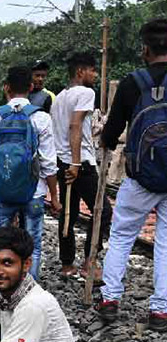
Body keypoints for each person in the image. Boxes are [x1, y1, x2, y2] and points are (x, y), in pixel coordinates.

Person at [97, 18, 167, 328]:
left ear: (145, 49)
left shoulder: (131, 83)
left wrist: (106, 141)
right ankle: (160, 310)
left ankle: (110, 299)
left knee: (122, 236)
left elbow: (112, 133)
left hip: (140, 177)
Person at [0, 65, 60, 279]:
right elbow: (48, 164)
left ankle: (1, 287)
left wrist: (2, 187)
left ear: (6, 87)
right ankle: (29, 289)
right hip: (34, 192)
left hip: (4, 193)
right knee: (33, 245)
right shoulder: (41, 118)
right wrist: (54, 197)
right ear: (31, 86)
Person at [51, 52, 112, 279]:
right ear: (80, 72)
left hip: (62, 162)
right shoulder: (86, 92)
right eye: (92, 70)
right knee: (103, 212)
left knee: (69, 213)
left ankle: (67, 264)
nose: (95, 75)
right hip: (80, 163)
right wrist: (76, 163)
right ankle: (90, 261)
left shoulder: (59, 97)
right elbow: (75, 125)